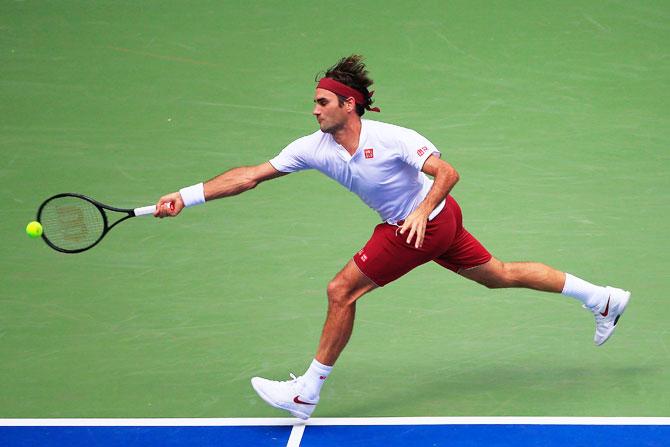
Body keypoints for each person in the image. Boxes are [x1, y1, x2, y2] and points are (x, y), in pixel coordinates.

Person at [153, 55, 631, 420]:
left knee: (342, 290)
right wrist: (185, 195)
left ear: (348, 104)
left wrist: (422, 212)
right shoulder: (311, 149)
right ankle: (602, 298)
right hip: (432, 224)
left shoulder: (392, 137)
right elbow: (249, 176)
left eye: (322, 101)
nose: (314, 109)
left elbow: (447, 171)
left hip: (421, 222)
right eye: (314, 101)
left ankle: (307, 392)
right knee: (498, 275)